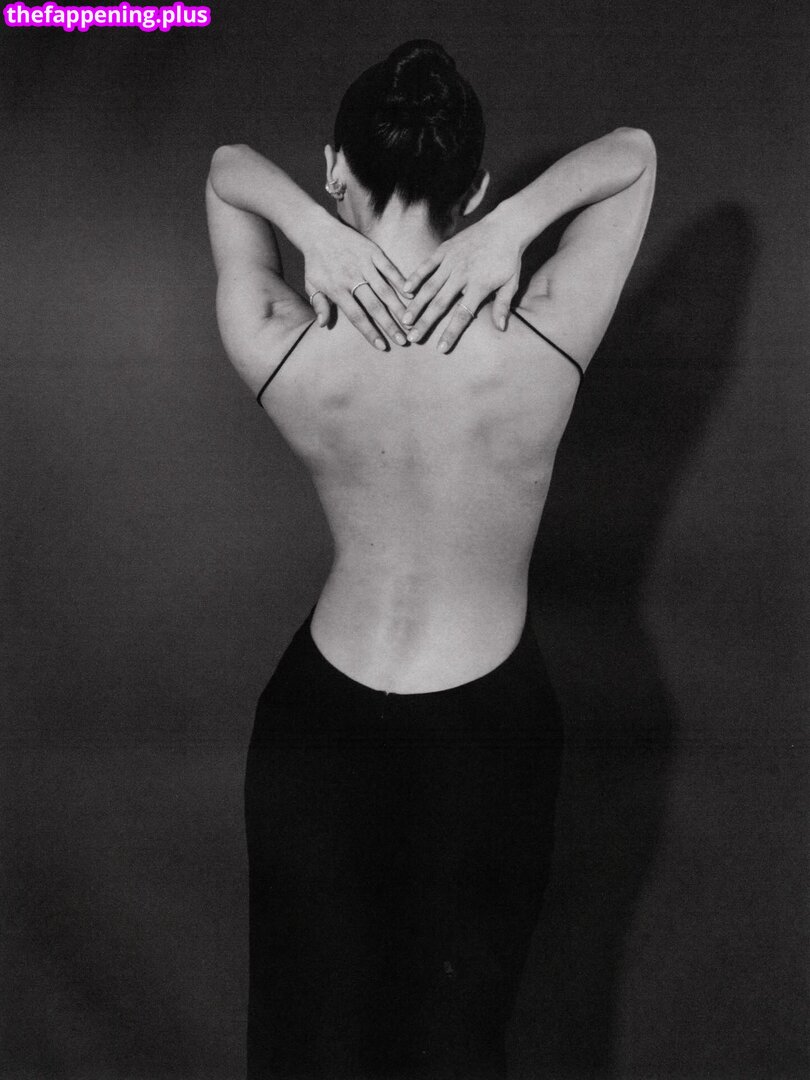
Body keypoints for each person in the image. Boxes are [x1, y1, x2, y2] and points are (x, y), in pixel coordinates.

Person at [206, 39, 655, 1080]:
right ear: (478, 187)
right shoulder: (542, 335)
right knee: (455, 1044)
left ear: (335, 170)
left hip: (315, 725)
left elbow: (226, 169)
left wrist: (312, 230)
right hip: (483, 738)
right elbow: (634, 154)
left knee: (308, 1044)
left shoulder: (285, 337)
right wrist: (513, 229)